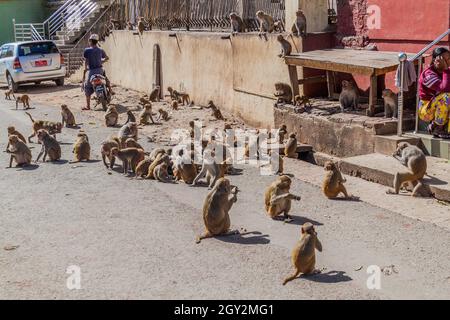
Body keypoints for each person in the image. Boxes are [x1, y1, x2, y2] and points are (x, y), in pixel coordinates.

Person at [418, 47, 450, 138]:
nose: (448, 62)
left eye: (449, 59)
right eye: (445, 59)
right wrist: (446, 70)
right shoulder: (428, 75)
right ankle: (438, 128)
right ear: (436, 60)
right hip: (426, 110)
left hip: (442, 106)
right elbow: (444, 89)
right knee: (447, 96)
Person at [82, 34, 112, 111]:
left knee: (87, 87)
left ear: (91, 41)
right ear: (97, 41)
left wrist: (85, 69)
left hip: (91, 71)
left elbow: (86, 61)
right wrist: (101, 61)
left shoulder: (87, 50)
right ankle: (110, 91)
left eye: (89, 40)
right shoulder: (100, 50)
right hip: (100, 70)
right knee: (106, 81)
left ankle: (88, 106)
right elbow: (107, 58)